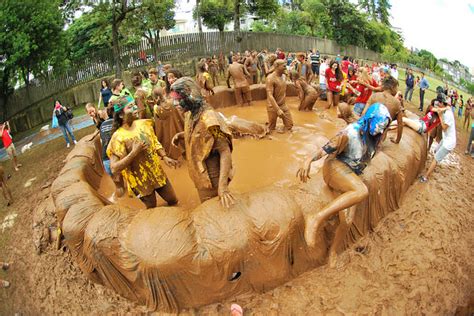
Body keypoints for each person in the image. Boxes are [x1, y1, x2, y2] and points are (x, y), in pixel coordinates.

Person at [297, 102, 392, 267]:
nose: (381, 131)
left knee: (347, 220)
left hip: (350, 176)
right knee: (362, 191)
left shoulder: (376, 137)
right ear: (370, 120)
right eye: (379, 126)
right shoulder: (351, 133)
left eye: (384, 128)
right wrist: (308, 160)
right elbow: (325, 148)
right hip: (334, 168)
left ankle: (333, 252)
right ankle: (315, 218)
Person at [170, 77, 235, 208]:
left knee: (214, 211)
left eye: (178, 99)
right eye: (174, 99)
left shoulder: (209, 120)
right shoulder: (190, 113)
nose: (175, 103)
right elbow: (201, 134)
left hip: (212, 179)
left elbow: (224, 151)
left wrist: (222, 187)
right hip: (199, 174)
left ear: (190, 96)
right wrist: (182, 135)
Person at [107, 95, 179, 209]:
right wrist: (134, 153)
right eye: (130, 107)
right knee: (152, 209)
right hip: (139, 182)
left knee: (173, 200)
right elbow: (114, 168)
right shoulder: (118, 137)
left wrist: (164, 156)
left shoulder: (143, 124)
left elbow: (154, 141)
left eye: (134, 105)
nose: (135, 108)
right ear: (121, 115)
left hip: (157, 173)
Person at [419, 96, 456, 182]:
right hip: (446, 139)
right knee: (436, 151)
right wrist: (442, 110)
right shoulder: (445, 109)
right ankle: (433, 166)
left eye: (439, 103)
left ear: (443, 103)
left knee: (436, 158)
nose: (438, 104)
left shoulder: (448, 115)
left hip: (449, 143)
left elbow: (444, 128)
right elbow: (434, 109)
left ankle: (425, 177)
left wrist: (440, 116)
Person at [363, 76, 404, 144]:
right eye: (396, 88)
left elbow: (363, 114)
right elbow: (400, 124)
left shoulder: (374, 96)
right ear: (392, 87)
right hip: (380, 137)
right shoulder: (396, 103)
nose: (397, 90)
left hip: (366, 132)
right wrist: (397, 140)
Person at [265, 59, 293, 132]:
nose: (285, 67)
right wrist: (277, 109)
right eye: (283, 65)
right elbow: (270, 95)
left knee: (289, 126)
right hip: (273, 106)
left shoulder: (283, 76)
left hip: (283, 105)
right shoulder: (270, 78)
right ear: (277, 66)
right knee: (271, 128)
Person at [98, 106, 114, 176]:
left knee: (114, 179)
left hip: (106, 156)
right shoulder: (115, 122)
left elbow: (101, 141)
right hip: (116, 154)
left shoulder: (102, 125)